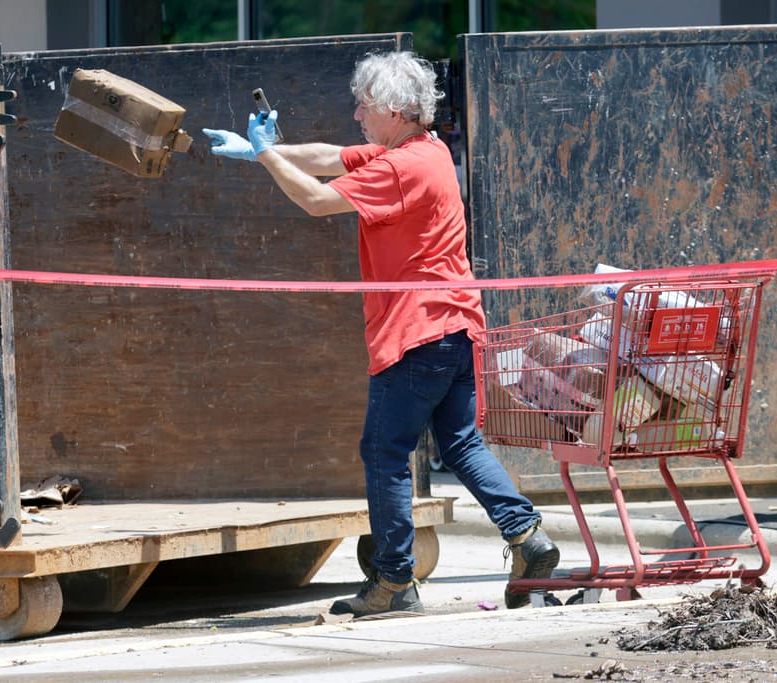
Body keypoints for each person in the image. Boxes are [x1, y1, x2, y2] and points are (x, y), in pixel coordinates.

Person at [202, 50, 559, 617]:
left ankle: (394, 581)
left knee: (384, 452)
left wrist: (269, 157)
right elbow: (330, 159)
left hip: (416, 334)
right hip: (457, 326)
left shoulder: (400, 169)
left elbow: (318, 199)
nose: (357, 115)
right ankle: (526, 536)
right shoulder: (425, 150)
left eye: (365, 106)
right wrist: (261, 153)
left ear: (394, 110)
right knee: (462, 443)